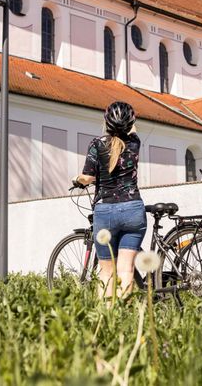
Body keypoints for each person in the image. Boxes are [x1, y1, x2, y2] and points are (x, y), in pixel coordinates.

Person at [73, 101, 145, 300]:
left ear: (106, 122)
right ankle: (123, 311)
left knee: (107, 272)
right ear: (130, 124)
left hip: (105, 212)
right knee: (126, 269)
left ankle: (107, 314)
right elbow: (132, 130)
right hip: (133, 210)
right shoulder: (135, 143)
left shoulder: (96, 144)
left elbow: (87, 177)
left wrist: (77, 179)